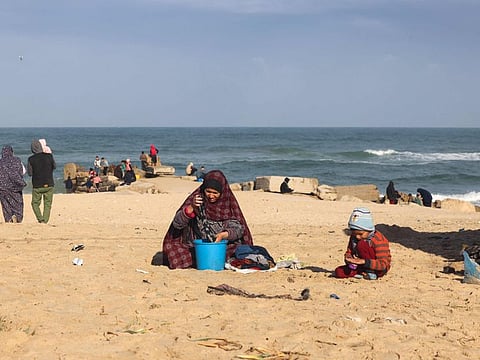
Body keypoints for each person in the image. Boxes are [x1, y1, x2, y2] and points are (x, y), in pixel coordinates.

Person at [162, 170, 254, 269]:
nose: (211, 196)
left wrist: (223, 235)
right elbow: (177, 224)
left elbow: (238, 229)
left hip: (223, 245)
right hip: (196, 245)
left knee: (237, 252)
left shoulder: (227, 204)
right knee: (172, 250)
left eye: (215, 193)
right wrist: (191, 208)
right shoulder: (195, 200)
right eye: (208, 191)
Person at [334, 208, 391, 280]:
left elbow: (383, 264)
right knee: (339, 272)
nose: (357, 237)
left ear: (368, 230)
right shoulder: (354, 237)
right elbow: (349, 251)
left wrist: (364, 261)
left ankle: (370, 272)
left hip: (377, 268)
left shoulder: (378, 240)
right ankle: (363, 273)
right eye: (355, 234)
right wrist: (349, 259)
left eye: (361, 234)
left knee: (362, 244)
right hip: (361, 264)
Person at [27, 139, 56, 224]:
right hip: (49, 183)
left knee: (35, 203)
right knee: (47, 203)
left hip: (37, 185)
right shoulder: (49, 156)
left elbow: (29, 173)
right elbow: (54, 166)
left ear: (32, 149)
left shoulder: (31, 159)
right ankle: (45, 220)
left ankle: (40, 219)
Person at [0, 145, 27, 223]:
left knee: (5, 204)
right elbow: (23, 171)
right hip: (15, 185)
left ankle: (8, 218)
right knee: (18, 202)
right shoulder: (17, 160)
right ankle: (17, 217)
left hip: (2, 187)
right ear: (12, 152)